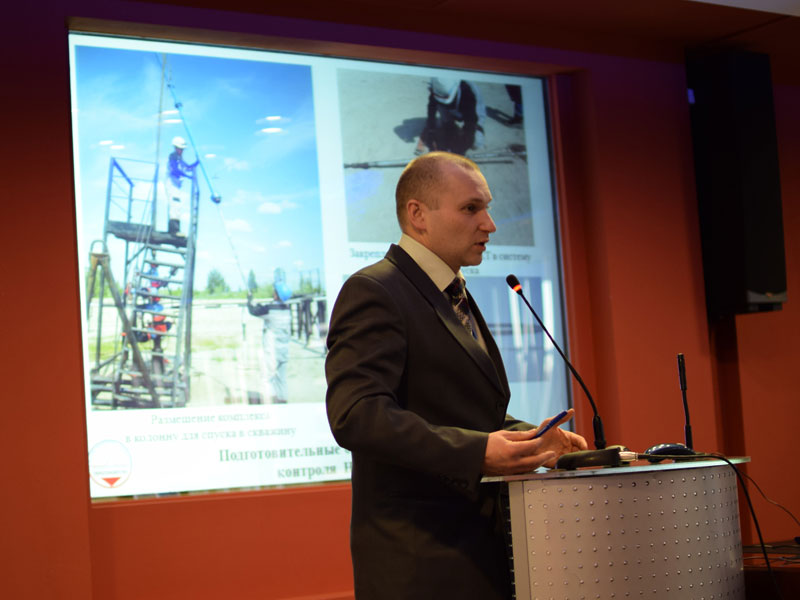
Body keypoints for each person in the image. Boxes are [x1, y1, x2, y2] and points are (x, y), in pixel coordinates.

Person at [325, 151, 588, 599]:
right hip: (420, 565)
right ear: (418, 215)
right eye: (471, 208)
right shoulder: (375, 290)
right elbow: (357, 415)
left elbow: (460, 412)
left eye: (487, 208)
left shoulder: (451, 292)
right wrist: (477, 452)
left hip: (478, 557)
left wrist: (534, 440)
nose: (490, 224)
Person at [247, 269, 292, 404]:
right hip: (284, 351)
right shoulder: (287, 309)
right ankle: (283, 401)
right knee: (281, 379)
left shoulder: (270, 309)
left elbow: (254, 311)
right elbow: (265, 308)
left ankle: (270, 402)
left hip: (272, 352)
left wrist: (249, 299)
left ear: (277, 294)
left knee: (267, 378)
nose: (273, 293)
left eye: (274, 291)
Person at [416, 77, 487, 156]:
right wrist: (431, 131)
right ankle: (450, 127)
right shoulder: (437, 87)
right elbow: (431, 109)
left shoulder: (468, 94)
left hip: (473, 113)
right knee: (446, 128)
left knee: (476, 141)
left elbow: (470, 125)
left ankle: (460, 136)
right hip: (454, 108)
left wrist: (459, 152)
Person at [165, 135, 198, 236]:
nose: (182, 151)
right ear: (176, 148)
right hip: (172, 184)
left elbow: (187, 167)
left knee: (177, 206)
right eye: (180, 149)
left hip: (177, 185)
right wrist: (187, 176)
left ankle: (175, 230)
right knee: (174, 205)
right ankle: (173, 231)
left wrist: (197, 163)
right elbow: (175, 170)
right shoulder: (173, 157)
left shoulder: (179, 158)